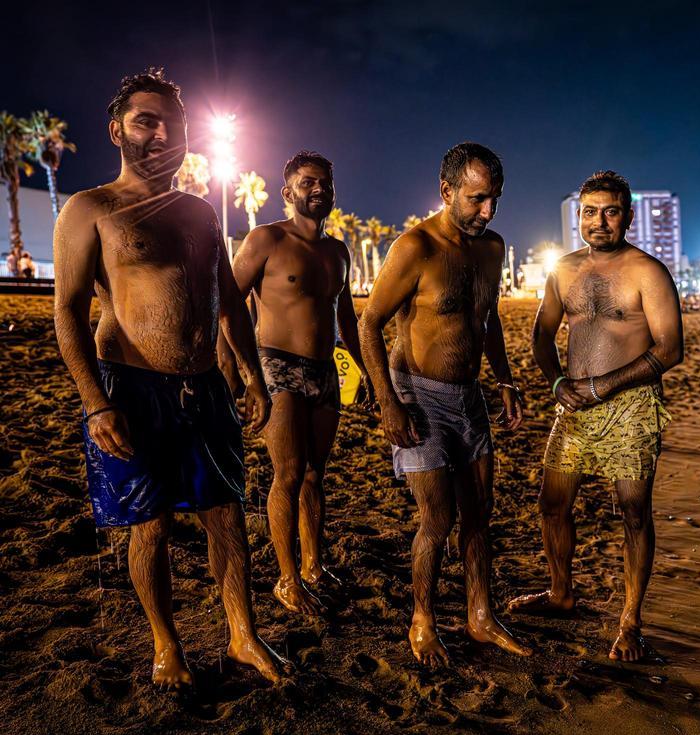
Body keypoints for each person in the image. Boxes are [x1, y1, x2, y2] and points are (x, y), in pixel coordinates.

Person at [52, 68, 289, 689]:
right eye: (145, 121)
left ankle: (243, 634)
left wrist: (252, 375)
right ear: (116, 131)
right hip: (131, 386)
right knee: (149, 525)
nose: (162, 134)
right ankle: (166, 644)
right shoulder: (91, 209)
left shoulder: (199, 211)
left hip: (205, 386)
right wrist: (96, 405)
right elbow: (68, 311)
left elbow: (227, 300)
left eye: (174, 124)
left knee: (227, 514)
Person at [359, 142, 529, 666]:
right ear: (447, 190)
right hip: (418, 394)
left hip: (469, 396)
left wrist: (503, 380)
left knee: (480, 513)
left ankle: (480, 616)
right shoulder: (416, 248)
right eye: (477, 199)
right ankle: (423, 619)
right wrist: (389, 403)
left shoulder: (493, 248)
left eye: (495, 199)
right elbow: (369, 324)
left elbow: (487, 317)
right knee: (438, 519)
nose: (488, 211)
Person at [508, 170, 684, 662]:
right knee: (552, 503)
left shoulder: (648, 272)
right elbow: (542, 335)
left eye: (610, 211)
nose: (599, 221)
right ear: (577, 216)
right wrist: (558, 383)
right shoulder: (564, 270)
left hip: (630, 408)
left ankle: (630, 622)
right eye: (589, 212)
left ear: (626, 216)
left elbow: (671, 350)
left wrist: (605, 385)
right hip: (575, 407)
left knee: (632, 513)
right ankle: (560, 593)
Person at [218, 150, 369, 615]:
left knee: (314, 475)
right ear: (287, 193)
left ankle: (312, 566)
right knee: (286, 473)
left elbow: (346, 318)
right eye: (308, 182)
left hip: (325, 371)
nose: (318, 189)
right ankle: (286, 579)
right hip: (275, 365)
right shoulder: (266, 239)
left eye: (325, 182)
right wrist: (238, 377)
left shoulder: (337, 251)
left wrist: (363, 371)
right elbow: (227, 306)